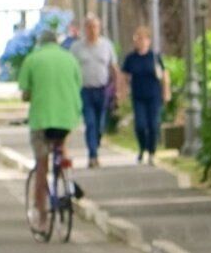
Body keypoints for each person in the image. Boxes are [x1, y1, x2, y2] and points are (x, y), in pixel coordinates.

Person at [14, 21, 83, 221]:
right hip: (67, 118)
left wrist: (32, 95)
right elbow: (78, 85)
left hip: (42, 120)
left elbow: (25, 92)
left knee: (42, 164)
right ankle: (67, 180)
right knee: (61, 149)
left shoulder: (33, 59)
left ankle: (41, 211)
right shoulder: (70, 59)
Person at [71, 15, 119, 166]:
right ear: (85, 29)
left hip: (103, 90)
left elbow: (113, 68)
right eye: (89, 27)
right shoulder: (76, 48)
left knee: (100, 124)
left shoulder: (107, 45)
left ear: (99, 29)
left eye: (95, 27)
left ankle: (96, 142)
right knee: (90, 123)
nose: (92, 30)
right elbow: (71, 69)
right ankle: (93, 155)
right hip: (85, 91)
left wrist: (117, 89)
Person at [121, 24, 167, 162]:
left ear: (148, 40)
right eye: (137, 38)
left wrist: (166, 92)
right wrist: (122, 92)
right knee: (140, 125)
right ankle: (142, 148)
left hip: (153, 96)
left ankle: (152, 152)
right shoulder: (131, 58)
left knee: (153, 124)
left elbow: (164, 75)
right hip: (138, 96)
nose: (140, 41)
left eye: (143, 38)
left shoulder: (154, 57)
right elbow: (124, 76)